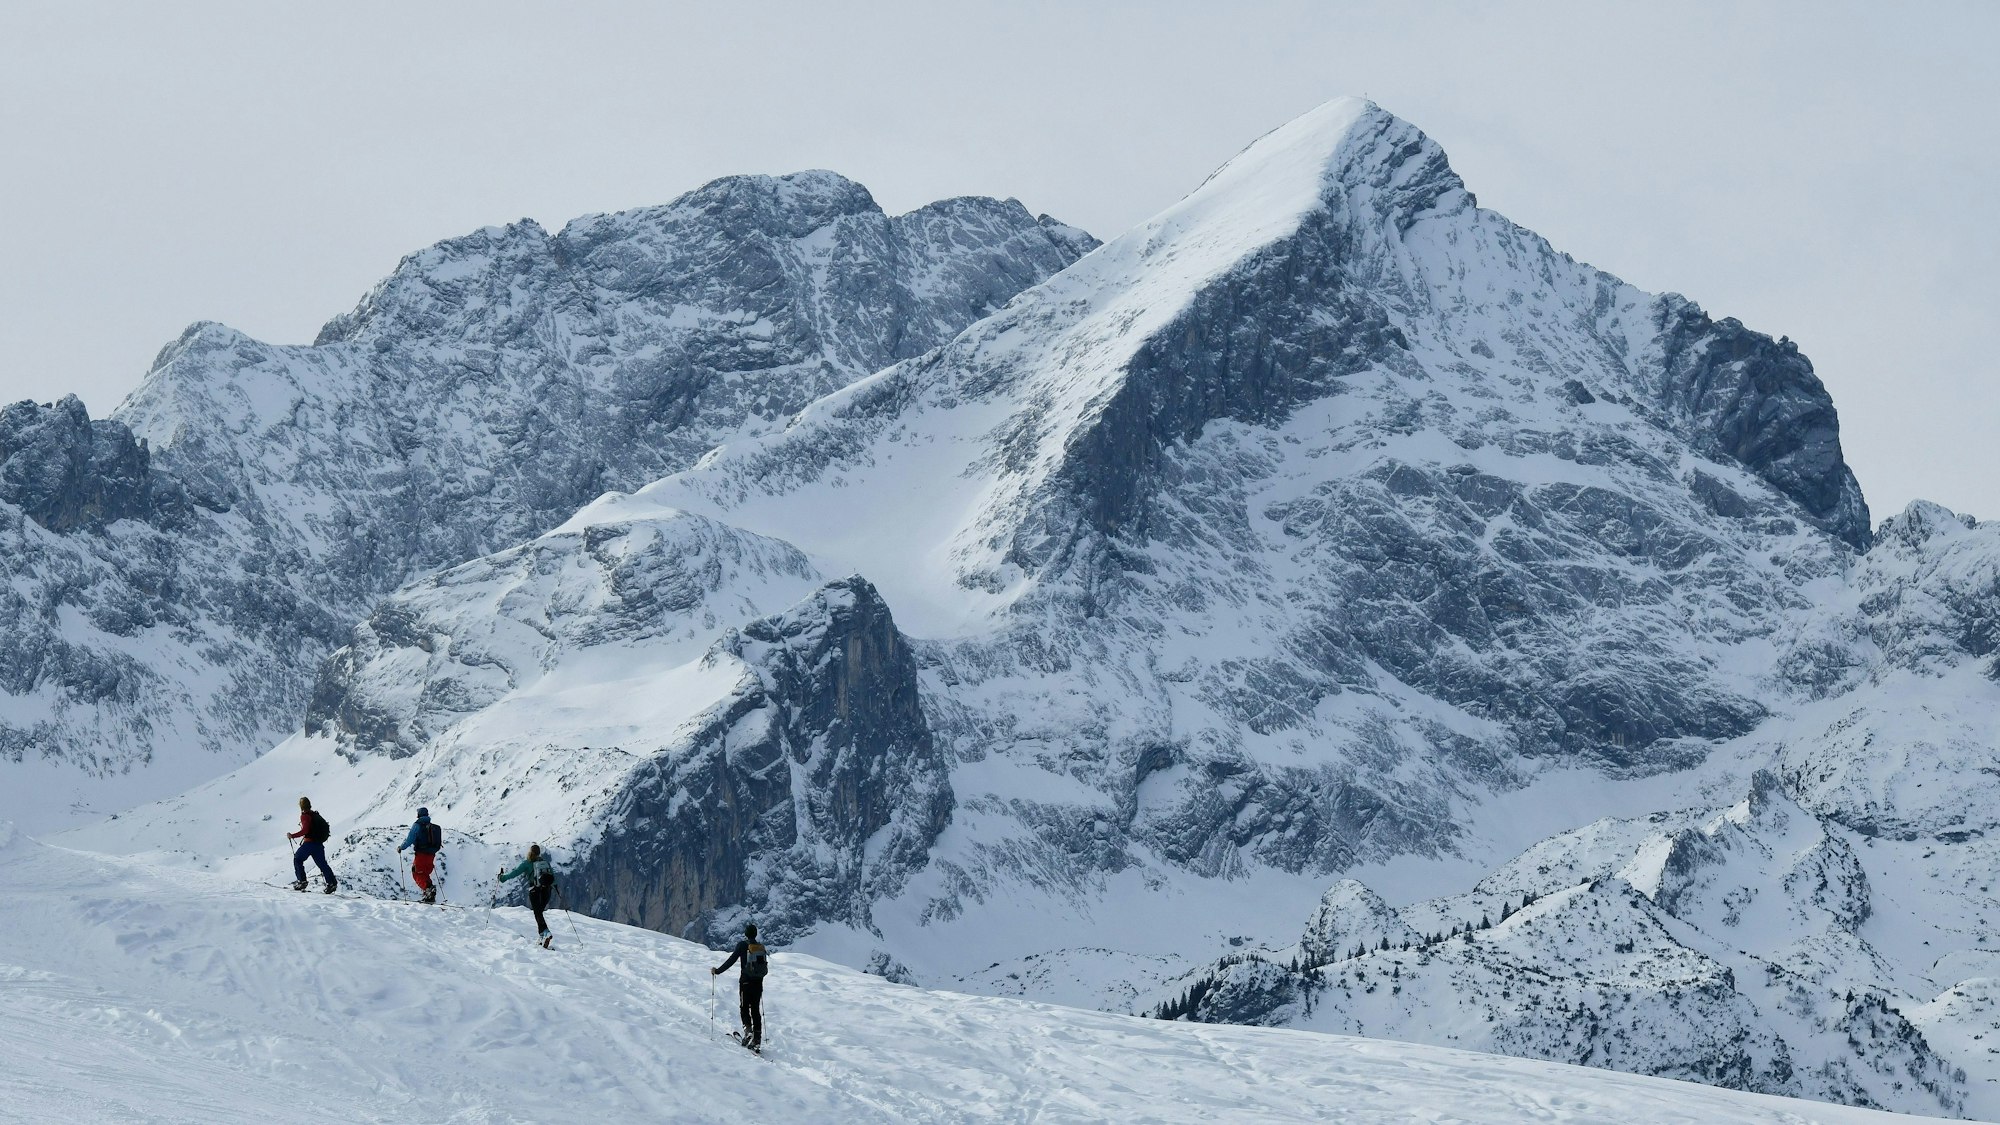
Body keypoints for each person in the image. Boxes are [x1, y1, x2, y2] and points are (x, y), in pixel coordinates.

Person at [711, 922, 770, 1052]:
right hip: (758, 983)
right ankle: (757, 1039)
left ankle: (748, 1030)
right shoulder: (760, 947)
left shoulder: (743, 945)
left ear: (745, 934)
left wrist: (718, 971)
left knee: (744, 1007)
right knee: (755, 1009)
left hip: (745, 982)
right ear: (755, 934)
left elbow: (731, 960)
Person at [497, 844, 557, 948]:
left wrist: (503, 878)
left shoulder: (527, 863)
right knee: (539, 913)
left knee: (537, 912)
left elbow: (515, 873)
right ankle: (542, 936)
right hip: (547, 891)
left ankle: (546, 932)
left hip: (535, 890)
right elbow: (552, 877)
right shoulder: (545, 863)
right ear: (539, 853)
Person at [287, 796, 337, 893]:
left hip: (309, 844)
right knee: (322, 864)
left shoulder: (305, 816)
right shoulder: (315, 815)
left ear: (301, 806)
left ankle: (302, 882)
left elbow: (305, 830)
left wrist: (292, 835)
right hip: (318, 844)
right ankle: (332, 883)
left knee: (298, 859)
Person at [396, 807, 443, 904]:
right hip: (431, 854)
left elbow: (410, 839)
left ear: (418, 815)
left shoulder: (417, 825)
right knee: (425, 873)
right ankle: (429, 896)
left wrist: (401, 847)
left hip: (421, 854)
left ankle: (428, 890)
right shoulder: (432, 827)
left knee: (417, 873)